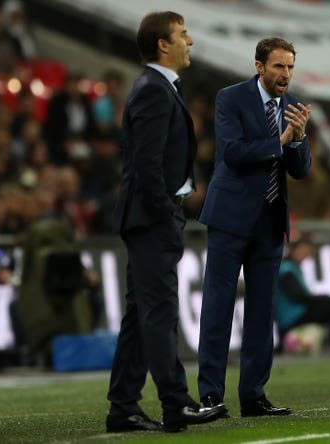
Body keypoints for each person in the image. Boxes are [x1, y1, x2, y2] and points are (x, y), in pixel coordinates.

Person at [105, 11, 227, 434]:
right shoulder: (155, 91)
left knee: (141, 313)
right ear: (163, 44)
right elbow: (146, 163)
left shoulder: (158, 89)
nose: (190, 41)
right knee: (158, 312)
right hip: (151, 218)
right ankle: (176, 402)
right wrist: (166, 212)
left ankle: (123, 406)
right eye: (182, 34)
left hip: (147, 216)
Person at [198, 37, 312, 417]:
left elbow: (302, 170)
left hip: (270, 219)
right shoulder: (230, 98)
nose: (286, 75)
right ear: (260, 66)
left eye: (291, 67)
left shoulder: (293, 107)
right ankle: (211, 395)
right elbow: (233, 152)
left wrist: (299, 140)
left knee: (262, 311)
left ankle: (254, 395)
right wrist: (280, 140)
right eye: (279, 66)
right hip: (230, 219)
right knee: (219, 305)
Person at [275, 236, 330, 348]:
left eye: (308, 252)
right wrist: (321, 299)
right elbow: (298, 296)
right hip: (293, 319)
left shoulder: (290, 268)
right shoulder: (286, 269)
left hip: (294, 318)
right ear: (295, 249)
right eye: (304, 251)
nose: (306, 255)